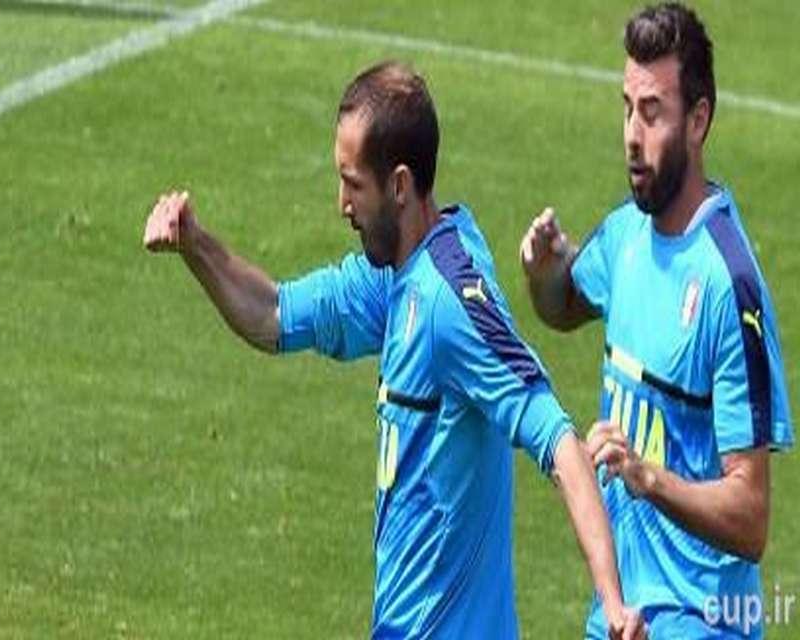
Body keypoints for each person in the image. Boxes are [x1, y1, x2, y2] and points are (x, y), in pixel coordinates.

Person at [143, 61, 644, 638]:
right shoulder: (394, 277)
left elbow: (557, 439)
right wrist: (196, 245)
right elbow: (273, 313)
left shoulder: (449, 303)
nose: (341, 203)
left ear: (400, 186)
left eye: (354, 184)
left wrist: (613, 603)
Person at [519, 3, 793, 638]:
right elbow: (563, 306)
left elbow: (751, 517)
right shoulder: (627, 235)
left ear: (698, 120)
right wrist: (543, 274)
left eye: (652, 113)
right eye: (626, 109)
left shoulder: (728, 286)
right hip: (620, 618)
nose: (632, 136)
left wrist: (649, 478)